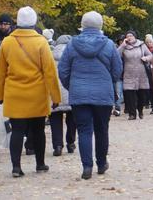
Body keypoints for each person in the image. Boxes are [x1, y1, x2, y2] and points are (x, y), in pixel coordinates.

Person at [0, 6, 61, 177]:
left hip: (14, 93)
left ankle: (16, 167)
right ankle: (40, 164)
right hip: (37, 94)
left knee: (17, 130)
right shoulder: (40, 42)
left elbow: (0, 72)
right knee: (38, 130)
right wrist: (55, 96)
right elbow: (50, 72)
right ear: (33, 22)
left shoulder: (7, 42)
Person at [57, 12, 123, 179]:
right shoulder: (108, 45)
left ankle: (87, 167)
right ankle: (101, 164)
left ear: (82, 25)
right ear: (100, 26)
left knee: (84, 131)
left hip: (79, 94)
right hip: (103, 94)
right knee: (102, 129)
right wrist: (108, 81)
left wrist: (71, 86)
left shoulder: (72, 45)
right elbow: (117, 70)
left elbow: (63, 70)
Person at [50, 35, 76, 157]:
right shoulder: (73, 55)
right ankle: (70, 143)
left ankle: (58, 145)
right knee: (72, 119)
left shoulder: (50, 55)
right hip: (70, 91)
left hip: (55, 93)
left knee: (55, 119)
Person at [118, 30, 153, 120]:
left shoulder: (142, 45)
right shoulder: (124, 47)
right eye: (127, 36)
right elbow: (116, 55)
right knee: (130, 95)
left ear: (135, 36)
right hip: (129, 73)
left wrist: (146, 58)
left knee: (141, 94)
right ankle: (132, 114)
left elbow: (150, 55)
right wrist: (122, 45)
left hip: (141, 73)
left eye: (131, 35)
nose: (129, 37)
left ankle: (140, 111)